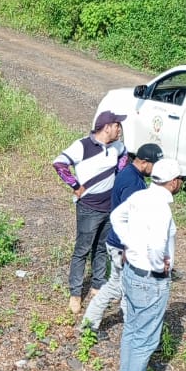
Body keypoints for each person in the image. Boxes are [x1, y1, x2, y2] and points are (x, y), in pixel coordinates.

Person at [109, 157, 183, 371]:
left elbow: (116, 216)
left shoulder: (140, 197)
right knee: (146, 337)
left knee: (132, 328)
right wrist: (159, 265)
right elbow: (157, 244)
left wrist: (129, 243)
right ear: (173, 182)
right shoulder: (162, 208)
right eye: (180, 179)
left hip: (131, 271)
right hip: (150, 279)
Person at [79, 143, 163, 338]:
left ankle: (96, 324)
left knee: (119, 286)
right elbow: (129, 217)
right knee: (122, 288)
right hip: (122, 245)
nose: (156, 171)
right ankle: (129, 331)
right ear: (144, 162)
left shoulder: (129, 173)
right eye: (155, 165)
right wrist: (129, 246)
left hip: (119, 242)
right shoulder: (133, 184)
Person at [53, 111, 128, 315]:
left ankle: (97, 286)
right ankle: (75, 293)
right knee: (82, 250)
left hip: (109, 207)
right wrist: (75, 186)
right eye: (117, 125)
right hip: (88, 208)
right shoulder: (82, 146)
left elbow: (124, 157)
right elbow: (59, 163)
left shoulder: (117, 147)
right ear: (107, 127)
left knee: (102, 248)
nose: (120, 129)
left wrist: (118, 177)